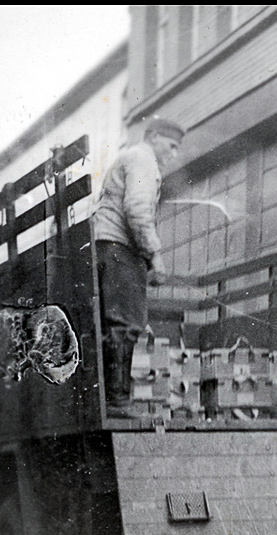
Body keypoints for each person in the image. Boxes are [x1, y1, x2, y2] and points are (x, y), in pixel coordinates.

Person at [92, 116, 185, 418]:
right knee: (125, 323)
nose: (173, 154)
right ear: (154, 136)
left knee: (113, 323)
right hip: (120, 248)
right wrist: (154, 255)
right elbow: (137, 209)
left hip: (108, 245)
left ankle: (113, 399)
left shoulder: (130, 158)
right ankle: (118, 402)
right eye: (171, 146)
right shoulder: (143, 160)